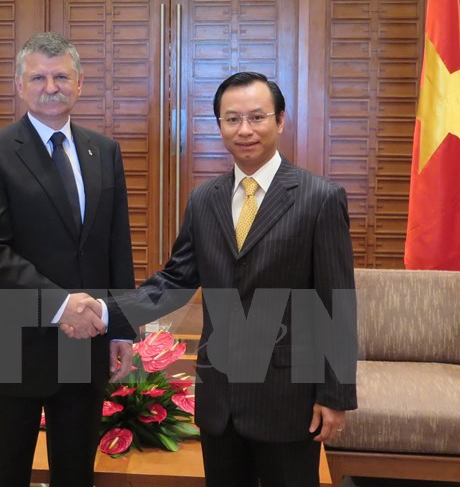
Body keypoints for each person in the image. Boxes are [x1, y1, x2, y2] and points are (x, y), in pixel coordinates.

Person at [105, 71, 357, 487]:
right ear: (219, 125)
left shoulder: (319, 198)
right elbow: (175, 281)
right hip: (220, 400)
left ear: (280, 121)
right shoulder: (204, 200)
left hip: (288, 399)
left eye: (257, 117)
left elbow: (337, 304)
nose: (245, 130)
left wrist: (335, 395)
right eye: (232, 119)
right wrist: (107, 311)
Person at [0, 32, 136, 487]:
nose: (50, 87)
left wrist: (120, 326)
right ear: (20, 85)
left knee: (76, 474)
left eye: (61, 76)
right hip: (11, 341)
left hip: (85, 341)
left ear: (80, 83)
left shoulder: (104, 151)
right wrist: (62, 306)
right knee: (1, 475)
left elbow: (116, 244)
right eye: (38, 77)